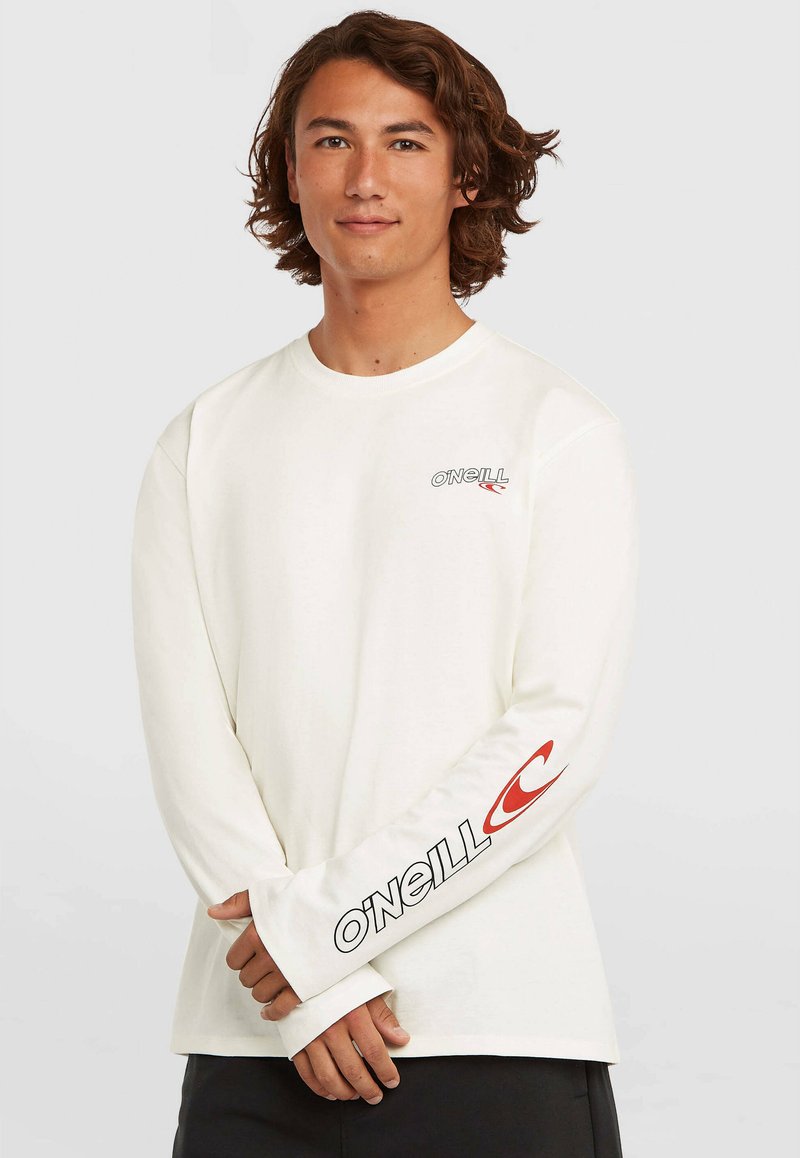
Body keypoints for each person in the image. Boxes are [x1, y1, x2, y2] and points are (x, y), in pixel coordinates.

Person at [130, 9, 638, 1156]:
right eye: (331, 140)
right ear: (290, 171)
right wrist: (305, 981)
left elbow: (549, 742)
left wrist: (321, 934)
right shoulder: (203, 442)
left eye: (405, 141)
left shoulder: (555, 430)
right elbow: (190, 745)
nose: (364, 176)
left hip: (501, 1026)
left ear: (466, 176)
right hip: (259, 1038)